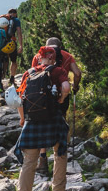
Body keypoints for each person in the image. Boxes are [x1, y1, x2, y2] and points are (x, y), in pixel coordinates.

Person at [15, 46, 72, 191]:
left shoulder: (29, 73)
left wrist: (23, 119)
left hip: (32, 122)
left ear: (39, 58)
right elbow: (66, 87)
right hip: (53, 119)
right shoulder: (58, 71)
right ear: (53, 59)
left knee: (29, 162)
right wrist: (61, 99)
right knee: (60, 151)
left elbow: (20, 98)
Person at [30, 37, 82, 175]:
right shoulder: (67, 56)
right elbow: (77, 73)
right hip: (60, 96)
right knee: (61, 122)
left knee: (42, 125)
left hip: (41, 98)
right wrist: (75, 87)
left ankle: (42, 160)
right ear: (60, 46)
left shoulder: (38, 56)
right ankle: (59, 158)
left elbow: (32, 75)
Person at [4, 8, 24, 86]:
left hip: (2, 42)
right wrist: (21, 45)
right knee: (13, 61)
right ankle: (12, 77)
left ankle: (2, 76)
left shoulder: (4, 19)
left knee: (4, 60)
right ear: (15, 14)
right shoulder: (16, 20)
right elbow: (19, 32)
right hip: (12, 42)